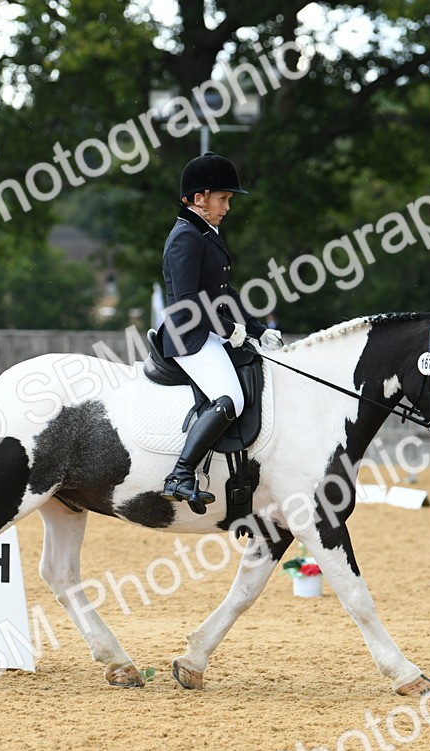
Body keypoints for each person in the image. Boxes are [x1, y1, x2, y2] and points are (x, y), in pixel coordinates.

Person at [156, 152, 282, 512]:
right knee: (231, 398)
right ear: (200, 198)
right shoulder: (185, 238)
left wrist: (257, 329)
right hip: (187, 336)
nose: (228, 206)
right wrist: (231, 332)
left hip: (204, 330)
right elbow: (188, 303)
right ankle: (180, 474)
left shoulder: (205, 233)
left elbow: (224, 293)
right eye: (223, 199)